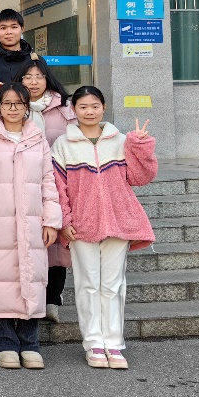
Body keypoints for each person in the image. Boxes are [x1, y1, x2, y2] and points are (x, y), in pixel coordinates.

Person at [51, 87, 157, 370]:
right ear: (73, 110)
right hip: (81, 225)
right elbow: (58, 187)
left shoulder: (120, 140)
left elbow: (141, 177)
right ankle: (93, 343)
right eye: (83, 106)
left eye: (95, 106)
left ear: (104, 107)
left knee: (113, 285)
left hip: (118, 222)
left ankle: (114, 343)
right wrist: (64, 221)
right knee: (87, 285)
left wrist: (140, 146)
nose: (89, 111)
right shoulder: (63, 144)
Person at [0, 83, 62, 370]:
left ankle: (30, 342)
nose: (12, 108)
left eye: (18, 103)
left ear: (26, 106)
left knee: (32, 279)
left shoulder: (37, 139)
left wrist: (51, 220)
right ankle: (6, 343)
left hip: (32, 221)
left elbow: (48, 181)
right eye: (7, 103)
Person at [16, 57, 77, 322]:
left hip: (58, 182)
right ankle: (31, 297)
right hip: (25, 183)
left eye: (38, 77)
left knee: (57, 245)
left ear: (47, 79)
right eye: (27, 77)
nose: (33, 82)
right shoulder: (14, 106)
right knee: (30, 240)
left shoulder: (64, 108)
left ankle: (52, 298)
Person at [0, 8, 38, 84]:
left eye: (14, 27)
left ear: (22, 29)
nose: (9, 32)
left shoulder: (35, 60)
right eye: (3, 28)